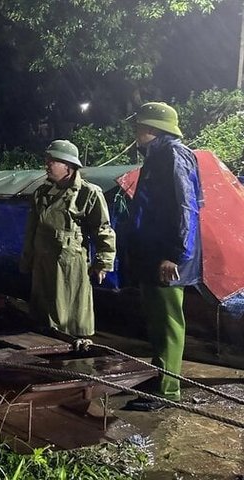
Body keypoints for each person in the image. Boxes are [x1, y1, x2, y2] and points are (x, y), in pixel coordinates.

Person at [123, 102, 203, 412]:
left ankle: (168, 391)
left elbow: (186, 207)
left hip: (167, 258)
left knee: (168, 324)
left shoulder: (174, 155)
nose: (136, 132)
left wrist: (175, 254)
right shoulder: (157, 157)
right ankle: (159, 378)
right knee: (157, 322)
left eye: (139, 126)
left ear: (153, 128)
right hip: (154, 255)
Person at [19, 139, 116, 337]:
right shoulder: (42, 193)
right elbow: (32, 230)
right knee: (42, 314)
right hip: (42, 263)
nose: (47, 165)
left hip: (70, 265)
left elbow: (103, 230)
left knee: (69, 314)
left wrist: (103, 263)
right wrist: (27, 259)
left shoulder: (88, 193)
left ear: (68, 166)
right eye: (47, 160)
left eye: (53, 161)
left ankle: (72, 345)